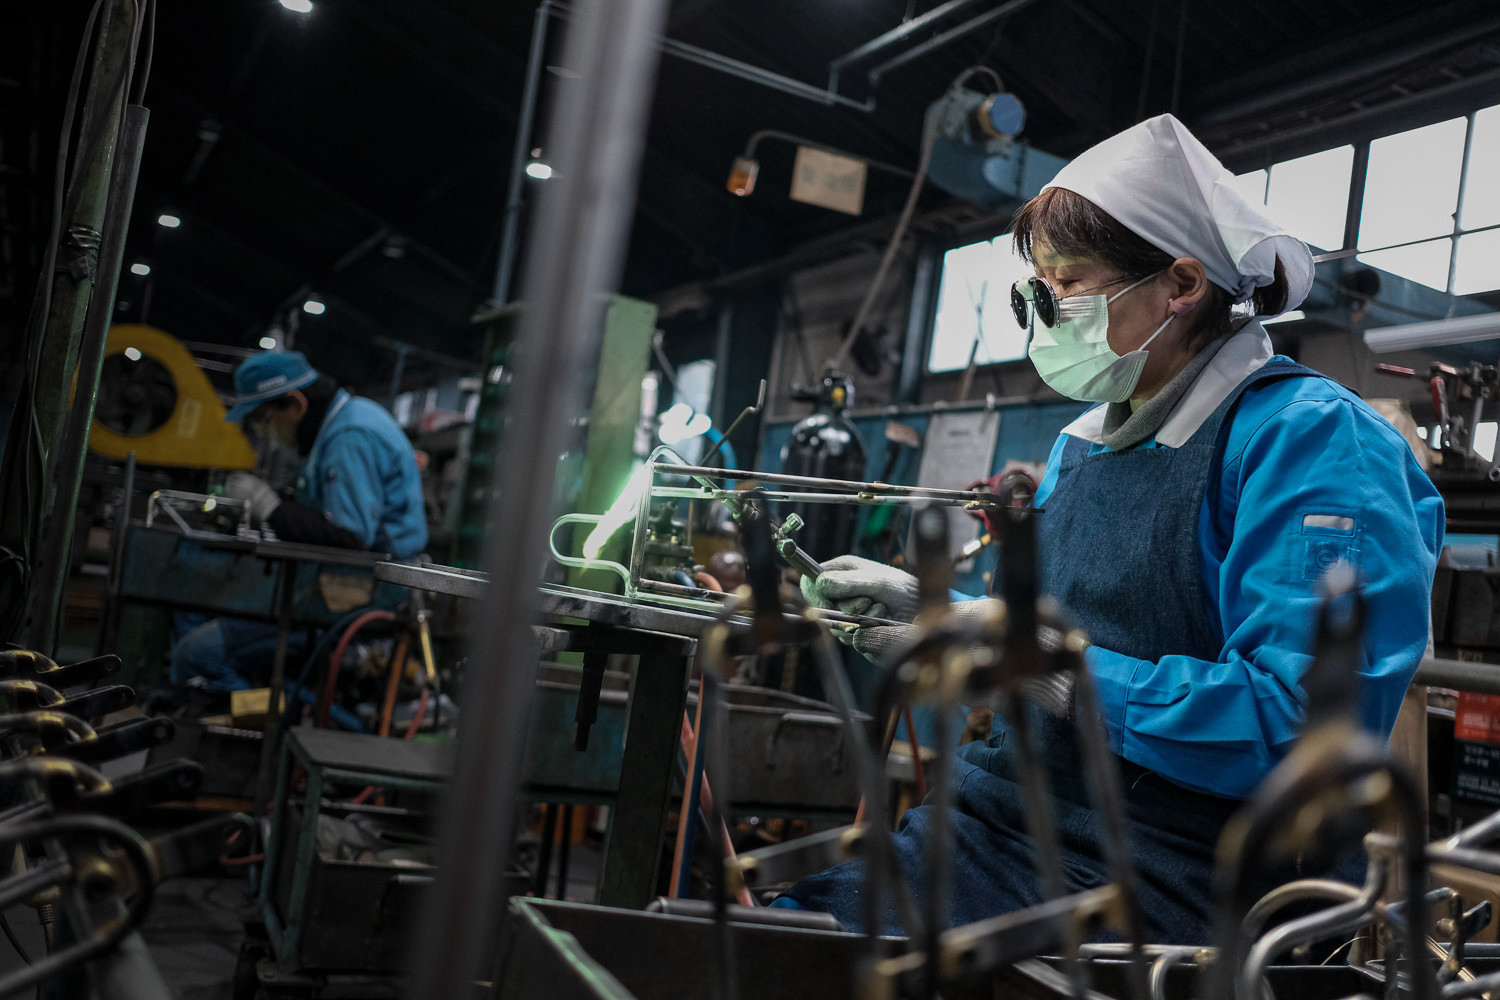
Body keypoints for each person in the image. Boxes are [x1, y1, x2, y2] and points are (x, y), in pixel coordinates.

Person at [776, 114, 1444, 944]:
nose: (1046, 311)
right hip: (1000, 823)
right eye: (1038, 285)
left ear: (1182, 284)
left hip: (1181, 878)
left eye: (1069, 283)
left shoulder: (1316, 444)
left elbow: (1299, 729)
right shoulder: (1085, 442)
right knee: (785, 934)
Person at [169, 350, 427, 693]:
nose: (263, 431)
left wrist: (268, 506)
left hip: (365, 592)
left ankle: (265, 719)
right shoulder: (342, 422)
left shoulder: (349, 437)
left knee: (198, 653)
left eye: (262, 418)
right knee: (193, 609)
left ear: (294, 404)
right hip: (337, 584)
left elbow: (348, 539)